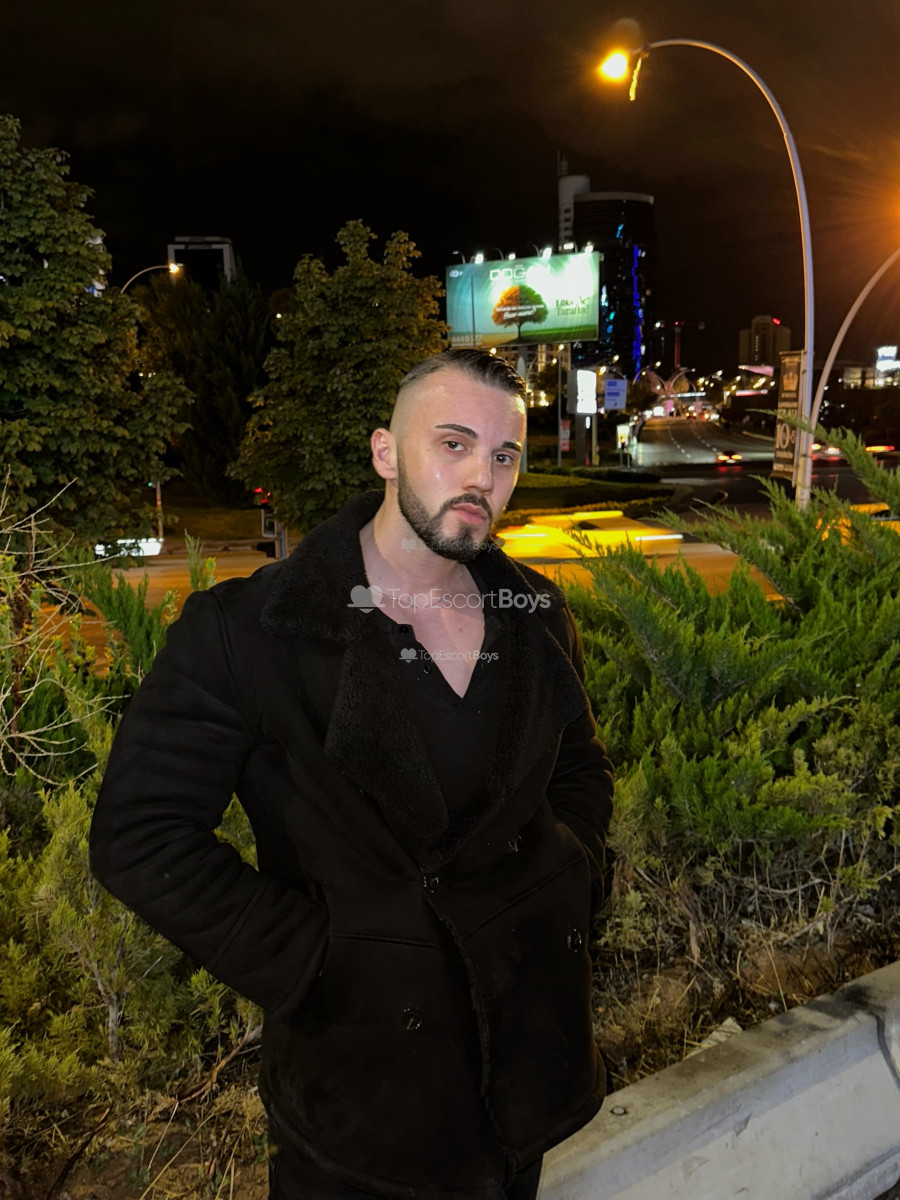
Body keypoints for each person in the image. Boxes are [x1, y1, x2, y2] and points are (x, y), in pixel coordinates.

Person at [89, 348, 614, 1200]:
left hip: (523, 1078)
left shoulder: (536, 612)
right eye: (453, 444)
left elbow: (580, 768)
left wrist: (573, 878)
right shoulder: (250, 631)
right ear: (385, 452)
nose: (481, 477)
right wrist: (315, 965)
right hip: (357, 1103)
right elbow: (139, 835)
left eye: (505, 456)